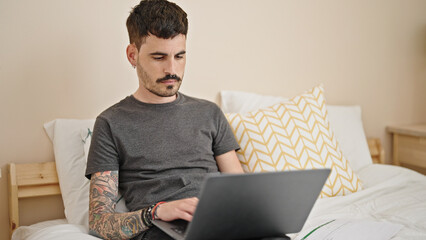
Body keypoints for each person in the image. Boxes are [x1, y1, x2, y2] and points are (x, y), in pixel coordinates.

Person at [85, 0, 244, 239]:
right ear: (132, 55)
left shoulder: (209, 113)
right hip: (162, 230)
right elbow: (100, 222)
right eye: (159, 58)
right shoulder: (110, 123)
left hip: (221, 223)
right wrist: (156, 212)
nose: (172, 69)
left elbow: (240, 191)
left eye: (179, 56)